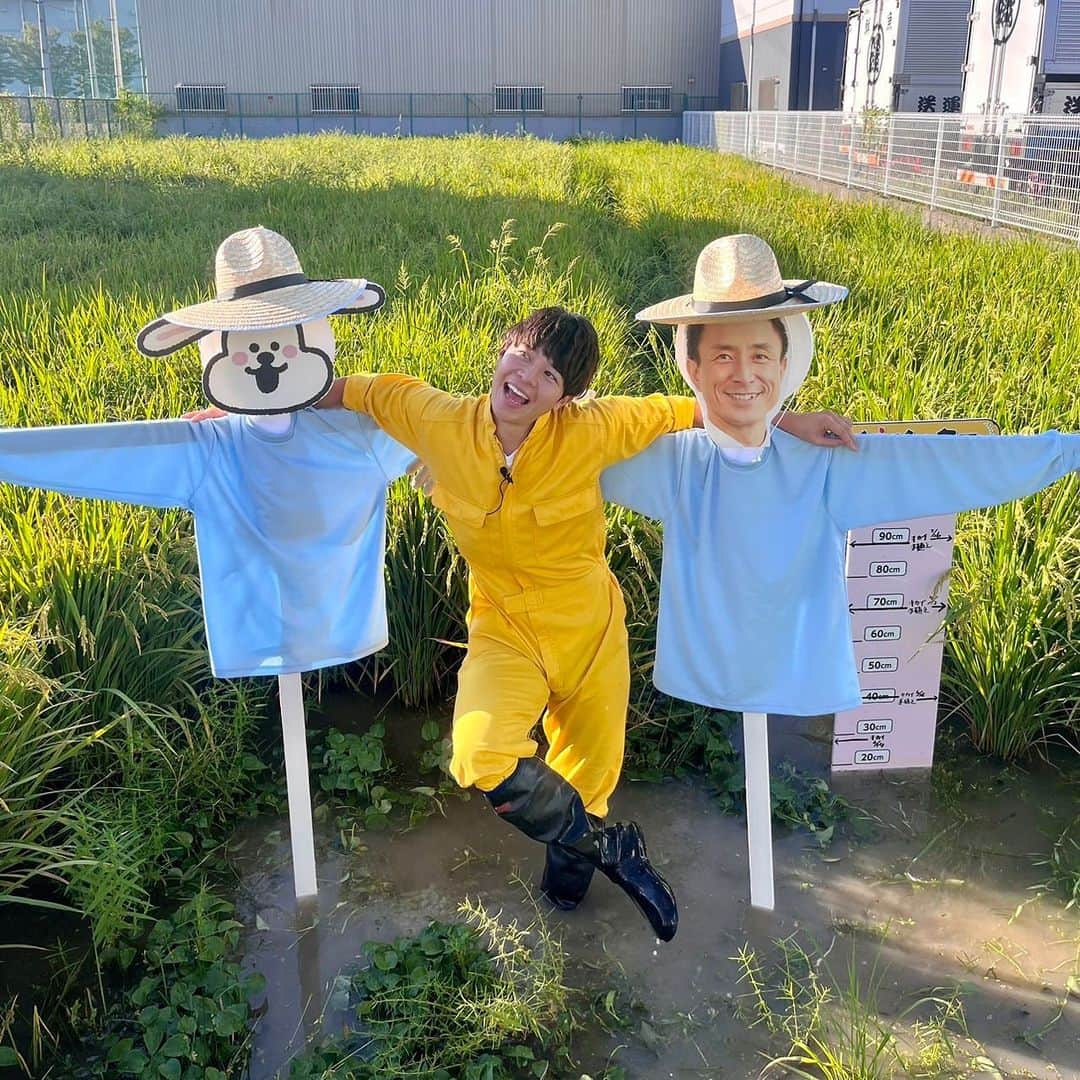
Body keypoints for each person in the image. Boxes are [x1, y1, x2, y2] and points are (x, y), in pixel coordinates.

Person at [192, 303, 852, 940]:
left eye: (549, 376)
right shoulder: (435, 418)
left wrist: (786, 423)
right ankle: (616, 852)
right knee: (480, 756)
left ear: (566, 397)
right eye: (523, 356)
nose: (527, 378)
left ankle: (569, 899)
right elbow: (343, 389)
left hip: (590, 635)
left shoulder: (594, 430)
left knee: (586, 795)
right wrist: (244, 411)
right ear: (503, 350)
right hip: (503, 632)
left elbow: (695, 410)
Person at [600, 234, 1080, 717]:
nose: (744, 373)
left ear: (786, 364)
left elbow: (947, 465)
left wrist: (1064, 451)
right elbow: (573, 438)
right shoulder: (677, 464)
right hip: (701, 672)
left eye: (761, 355)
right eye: (724, 355)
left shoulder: (824, 463)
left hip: (797, 674)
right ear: (693, 366)